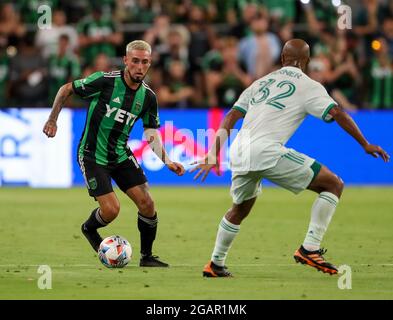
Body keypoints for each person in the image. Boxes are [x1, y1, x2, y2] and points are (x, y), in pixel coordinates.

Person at [191, 39, 390, 277]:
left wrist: (214, 152)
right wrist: (365, 143)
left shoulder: (260, 82)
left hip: (239, 150)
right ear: (306, 61)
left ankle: (215, 264)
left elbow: (232, 115)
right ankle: (310, 248)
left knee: (240, 208)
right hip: (266, 150)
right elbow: (336, 112)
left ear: (283, 58)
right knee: (333, 184)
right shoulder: (309, 85)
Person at [43, 40, 185, 267]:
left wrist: (167, 160)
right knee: (111, 210)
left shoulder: (148, 97)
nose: (140, 66)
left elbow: (150, 131)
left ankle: (147, 257)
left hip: (120, 154)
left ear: (150, 64)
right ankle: (89, 229)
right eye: (135, 61)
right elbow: (66, 89)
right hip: (91, 154)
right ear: (126, 61)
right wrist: (52, 119)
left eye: (145, 62)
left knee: (147, 203)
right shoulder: (105, 81)